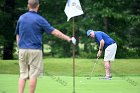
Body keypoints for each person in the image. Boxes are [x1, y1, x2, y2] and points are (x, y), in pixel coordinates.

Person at [15, 0, 76, 93]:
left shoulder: (21, 18)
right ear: (38, 6)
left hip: (22, 49)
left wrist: (19, 47)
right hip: (35, 50)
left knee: (22, 74)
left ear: (28, 6)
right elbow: (54, 32)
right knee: (33, 75)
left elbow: (18, 34)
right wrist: (68, 38)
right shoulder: (39, 19)